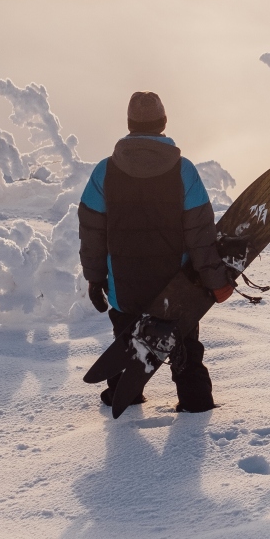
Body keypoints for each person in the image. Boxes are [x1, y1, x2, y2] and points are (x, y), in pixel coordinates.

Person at [77, 91, 234, 412]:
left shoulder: (103, 173)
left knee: (128, 347)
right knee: (186, 347)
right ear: (163, 123)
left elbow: (91, 232)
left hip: (125, 287)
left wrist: (94, 279)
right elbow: (201, 236)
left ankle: (125, 394)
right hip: (177, 290)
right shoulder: (184, 171)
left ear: (130, 125)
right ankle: (195, 402)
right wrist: (216, 279)